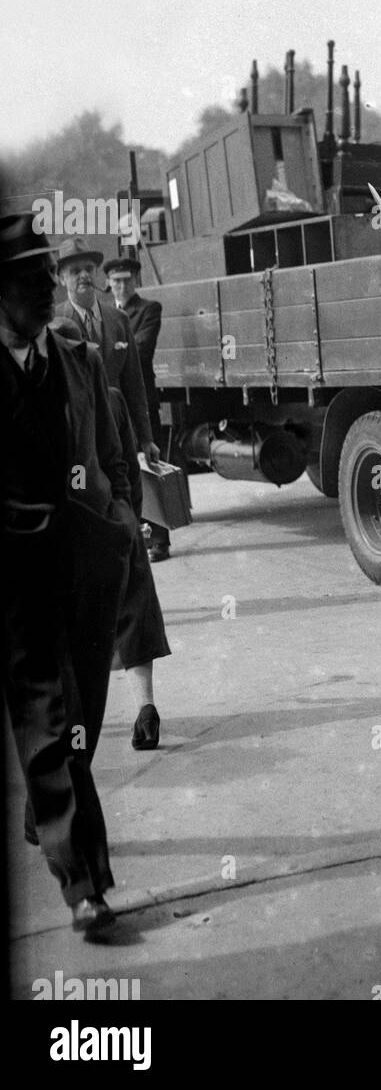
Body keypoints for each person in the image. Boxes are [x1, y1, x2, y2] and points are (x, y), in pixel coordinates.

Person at [0, 213, 136, 938]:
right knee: (48, 722)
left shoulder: (74, 358)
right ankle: (69, 862)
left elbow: (113, 447)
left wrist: (121, 526)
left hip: (70, 564)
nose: (48, 290)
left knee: (70, 719)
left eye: (48, 274)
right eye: (30, 281)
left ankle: (63, 851)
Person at [53, 316, 170, 751]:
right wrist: (127, 519)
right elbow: (122, 469)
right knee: (135, 614)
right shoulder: (110, 395)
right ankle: (145, 706)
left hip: (78, 530)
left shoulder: (47, 400)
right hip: (113, 523)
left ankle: (79, 728)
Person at [54, 239, 162, 553]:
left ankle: (131, 549)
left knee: (128, 493)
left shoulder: (118, 321)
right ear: (62, 279)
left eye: (88, 269)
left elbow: (134, 385)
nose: (84, 276)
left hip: (119, 429)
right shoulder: (55, 325)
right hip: (80, 438)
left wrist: (146, 438)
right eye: (75, 271)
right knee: (85, 499)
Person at [103, 255, 170, 562]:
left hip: (138, 403)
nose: (121, 285)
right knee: (121, 472)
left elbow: (141, 351)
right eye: (116, 280)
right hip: (109, 404)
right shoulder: (103, 314)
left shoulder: (147, 310)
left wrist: (99, 359)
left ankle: (159, 540)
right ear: (108, 283)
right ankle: (134, 535)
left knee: (149, 467)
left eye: (127, 280)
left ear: (135, 281)